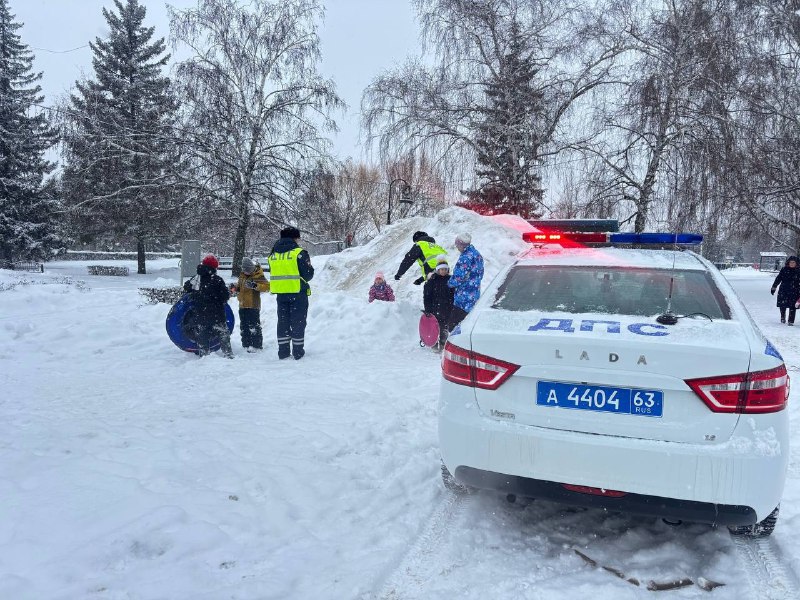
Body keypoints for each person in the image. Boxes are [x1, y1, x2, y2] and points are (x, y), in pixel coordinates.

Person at [268, 226, 314, 359]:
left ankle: (283, 352)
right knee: (298, 322)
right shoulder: (299, 253)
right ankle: (298, 352)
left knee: (283, 322)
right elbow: (308, 275)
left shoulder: (273, 255)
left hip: (281, 294)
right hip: (297, 293)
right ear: (294, 237)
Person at [183, 254, 233, 357]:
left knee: (203, 335)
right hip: (217, 314)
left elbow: (187, 287)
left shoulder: (196, 279)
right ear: (215, 267)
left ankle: (204, 356)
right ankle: (228, 355)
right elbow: (225, 296)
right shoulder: (217, 280)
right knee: (223, 333)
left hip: (201, 314)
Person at [447, 233, 484, 331]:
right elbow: (480, 273)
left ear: (461, 245)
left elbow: (458, 277)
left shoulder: (465, 257)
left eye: (457, 245)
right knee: (468, 324)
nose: (456, 247)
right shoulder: (477, 254)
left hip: (463, 296)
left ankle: (450, 344)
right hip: (474, 293)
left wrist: (449, 283)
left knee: (453, 325)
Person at [232, 257, 270, 352]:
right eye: (244, 270)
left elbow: (267, 287)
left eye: (248, 270)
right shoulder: (242, 276)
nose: (246, 272)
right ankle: (246, 344)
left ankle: (256, 346)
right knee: (244, 326)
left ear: (252, 268)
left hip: (253, 305)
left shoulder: (258, 275)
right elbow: (239, 287)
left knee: (254, 326)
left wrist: (255, 286)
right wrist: (235, 288)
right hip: (242, 305)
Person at [423, 256, 455, 351]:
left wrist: (452, 307)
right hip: (434, 309)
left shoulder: (450, 280)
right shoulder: (432, 281)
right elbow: (427, 296)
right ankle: (433, 343)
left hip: (446, 309)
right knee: (434, 328)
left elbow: (453, 295)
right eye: (441, 269)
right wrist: (427, 309)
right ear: (437, 270)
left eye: (445, 269)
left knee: (444, 328)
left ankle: (442, 344)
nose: (443, 271)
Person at [771, 255, 800, 325]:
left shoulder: (798, 271)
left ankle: (791, 321)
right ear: (788, 263)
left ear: (796, 263)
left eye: (793, 262)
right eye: (791, 262)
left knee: (793, 306)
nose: (792, 264)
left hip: (795, 291)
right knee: (782, 305)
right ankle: (782, 317)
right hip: (784, 290)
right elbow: (778, 278)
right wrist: (774, 287)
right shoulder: (784, 269)